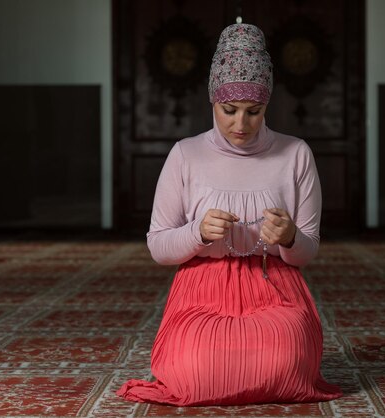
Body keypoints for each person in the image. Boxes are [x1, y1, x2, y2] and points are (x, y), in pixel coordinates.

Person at [117, 22, 342, 406]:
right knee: (194, 368)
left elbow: (307, 252)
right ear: (212, 101)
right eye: (230, 110)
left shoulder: (296, 154)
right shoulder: (186, 154)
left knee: (286, 359)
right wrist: (197, 234)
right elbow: (158, 246)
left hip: (275, 289)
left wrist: (289, 237)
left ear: (267, 105)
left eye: (254, 112)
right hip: (202, 291)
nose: (241, 125)